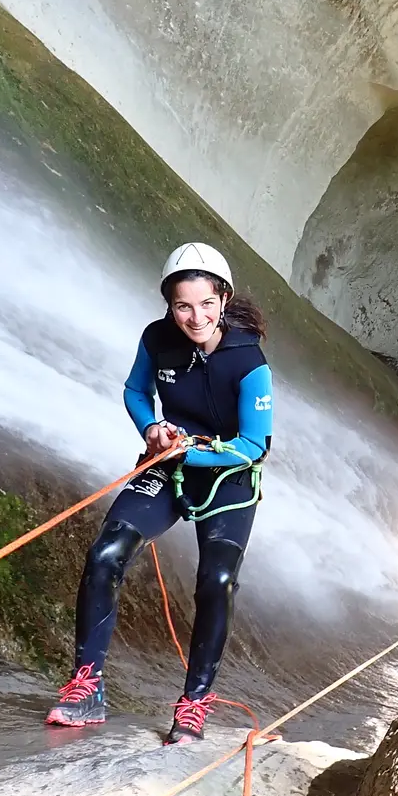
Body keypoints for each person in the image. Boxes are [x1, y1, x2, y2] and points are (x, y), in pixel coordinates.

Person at [46, 242, 273, 744]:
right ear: (169, 305)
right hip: (169, 465)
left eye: (207, 304)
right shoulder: (157, 339)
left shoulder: (249, 362)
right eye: (183, 306)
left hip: (228, 476)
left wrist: (186, 454)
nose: (196, 317)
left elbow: (255, 446)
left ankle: (194, 702)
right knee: (106, 552)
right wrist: (151, 429)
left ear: (224, 299)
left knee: (216, 580)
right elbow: (134, 391)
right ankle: (88, 690)